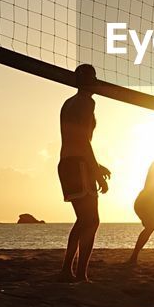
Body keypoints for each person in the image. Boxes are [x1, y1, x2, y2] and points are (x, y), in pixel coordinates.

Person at [58, 64, 110, 282]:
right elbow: (81, 140)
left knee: (84, 219)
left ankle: (68, 270)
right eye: (93, 78)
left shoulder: (68, 103)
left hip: (67, 163)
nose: (96, 81)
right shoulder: (86, 102)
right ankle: (79, 273)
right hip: (78, 164)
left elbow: (75, 140)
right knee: (91, 219)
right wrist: (95, 171)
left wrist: (97, 166)